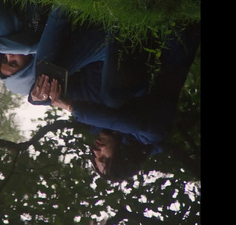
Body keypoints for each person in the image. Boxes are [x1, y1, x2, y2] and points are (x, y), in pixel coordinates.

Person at [45, 22, 201, 182]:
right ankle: (118, 24)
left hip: (140, 43)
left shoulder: (104, 123)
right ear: (123, 157)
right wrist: (70, 107)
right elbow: (122, 120)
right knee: (111, 99)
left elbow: (86, 96)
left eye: (94, 157)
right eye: (104, 159)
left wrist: (46, 93)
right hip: (173, 35)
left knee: (40, 97)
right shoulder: (153, 135)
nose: (95, 151)